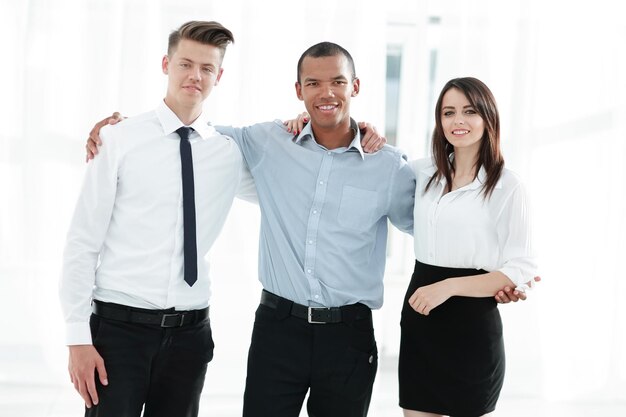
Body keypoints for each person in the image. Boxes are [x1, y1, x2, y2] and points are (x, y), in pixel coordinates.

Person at [59, 20, 257, 417]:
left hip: (190, 334)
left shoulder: (230, 153)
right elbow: (83, 241)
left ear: (220, 76)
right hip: (118, 332)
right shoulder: (119, 139)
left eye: (207, 68)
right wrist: (77, 339)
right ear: (166, 64)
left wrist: (349, 133)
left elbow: (292, 177)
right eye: (185, 64)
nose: (194, 76)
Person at [399, 77, 538, 417]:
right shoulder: (421, 172)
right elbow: (373, 161)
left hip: (471, 328)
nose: (457, 121)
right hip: (421, 317)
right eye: (448, 112)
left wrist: (449, 287)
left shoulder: (508, 186)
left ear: (487, 118)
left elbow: (521, 267)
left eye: (469, 111)